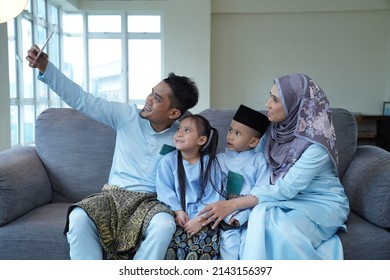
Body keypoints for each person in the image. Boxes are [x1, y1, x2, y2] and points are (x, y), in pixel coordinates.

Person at [25, 44, 199, 260]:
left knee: (164, 225)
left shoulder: (182, 137)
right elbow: (82, 99)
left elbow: (198, 171)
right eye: (151, 93)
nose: (148, 99)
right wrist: (45, 67)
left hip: (153, 202)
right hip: (113, 195)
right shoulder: (126, 116)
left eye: (157, 99)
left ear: (174, 113)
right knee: (79, 216)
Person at [198, 73, 350, 259]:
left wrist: (232, 204)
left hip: (320, 203)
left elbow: (286, 188)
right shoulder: (275, 131)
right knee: (259, 219)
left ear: (296, 105)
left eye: (275, 100)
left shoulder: (316, 145)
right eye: (270, 96)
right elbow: (252, 163)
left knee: (283, 230)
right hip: (284, 200)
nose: (267, 104)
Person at [156, 114, 225, 260]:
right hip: (178, 218)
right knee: (171, 249)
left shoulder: (210, 164)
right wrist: (178, 211)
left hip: (203, 219)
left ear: (201, 140)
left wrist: (199, 221)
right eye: (179, 129)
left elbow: (214, 196)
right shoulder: (168, 161)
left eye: (187, 130)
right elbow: (164, 190)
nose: (179, 133)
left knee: (203, 250)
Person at [216, 104, 269, 260]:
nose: (230, 136)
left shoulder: (259, 161)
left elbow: (262, 191)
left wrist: (242, 216)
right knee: (229, 246)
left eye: (238, 133)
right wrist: (228, 217)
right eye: (230, 130)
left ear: (253, 142)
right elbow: (214, 191)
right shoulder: (219, 160)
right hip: (225, 216)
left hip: (250, 214)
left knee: (250, 247)